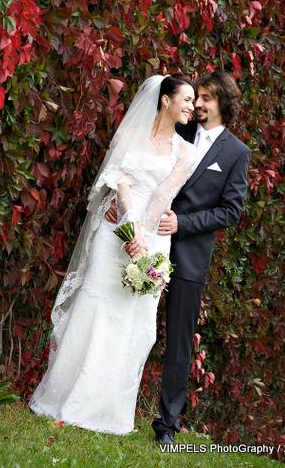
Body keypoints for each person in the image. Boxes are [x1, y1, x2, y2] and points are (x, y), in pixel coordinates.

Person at [29, 74, 198, 435]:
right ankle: (63, 397)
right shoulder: (130, 135)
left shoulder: (186, 152)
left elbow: (162, 196)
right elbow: (118, 180)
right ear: (165, 100)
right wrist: (127, 224)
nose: (191, 106)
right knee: (95, 306)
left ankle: (107, 409)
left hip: (151, 239)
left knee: (130, 319)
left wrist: (142, 240)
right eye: (186, 99)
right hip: (116, 229)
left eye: (193, 101)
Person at [107, 70, 251, 444]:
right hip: (145, 241)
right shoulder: (179, 129)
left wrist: (182, 223)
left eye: (206, 98)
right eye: (196, 96)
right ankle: (109, 399)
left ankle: (167, 424)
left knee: (179, 341)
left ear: (223, 103)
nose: (197, 103)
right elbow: (139, 168)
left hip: (188, 254)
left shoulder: (236, 153)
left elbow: (231, 210)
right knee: (126, 317)